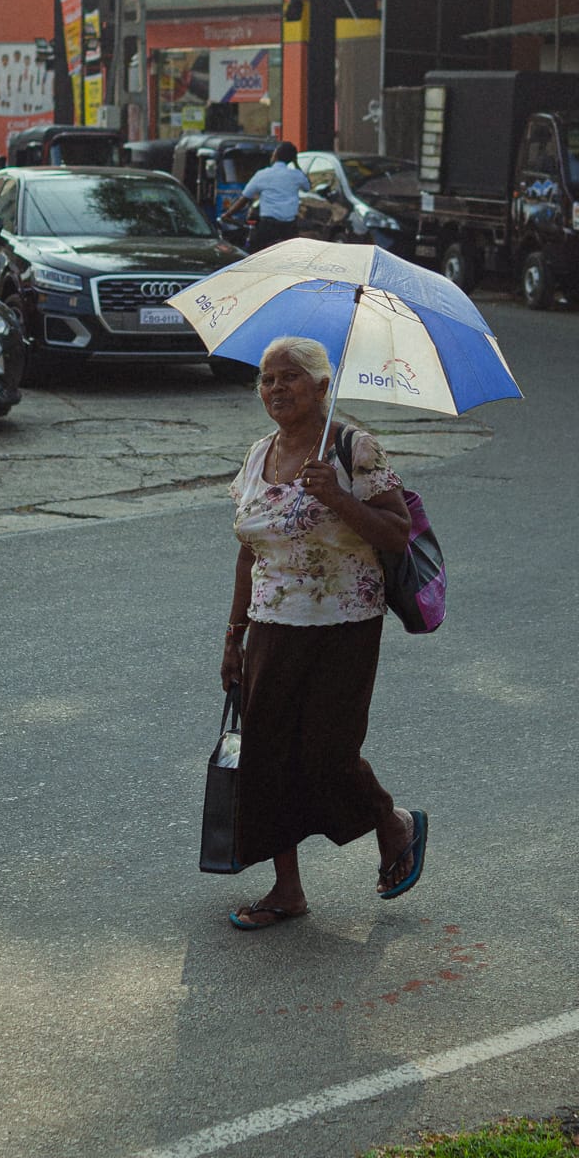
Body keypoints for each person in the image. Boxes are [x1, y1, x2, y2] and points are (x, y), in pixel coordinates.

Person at [221, 336, 429, 930]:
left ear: (321, 387)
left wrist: (336, 495)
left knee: (327, 755)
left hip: (344, 626)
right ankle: (287, 890)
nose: (276, 388)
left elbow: (397, 532)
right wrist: (233, 637)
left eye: (289, 377)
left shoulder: (353, 446)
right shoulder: (257, 455)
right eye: (267, 379)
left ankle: (392, 823)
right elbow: (249, 552)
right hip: (271, 627)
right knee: (266, 759)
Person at [220, 140, 309, 253]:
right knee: (292, 255)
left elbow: (245, 198)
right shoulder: (297, 175)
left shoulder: (262, 174)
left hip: (267, 227)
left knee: (254, 254)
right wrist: (296, 164)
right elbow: (307, 187)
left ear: (275, 156)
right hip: (289, 228)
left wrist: (228, 214)